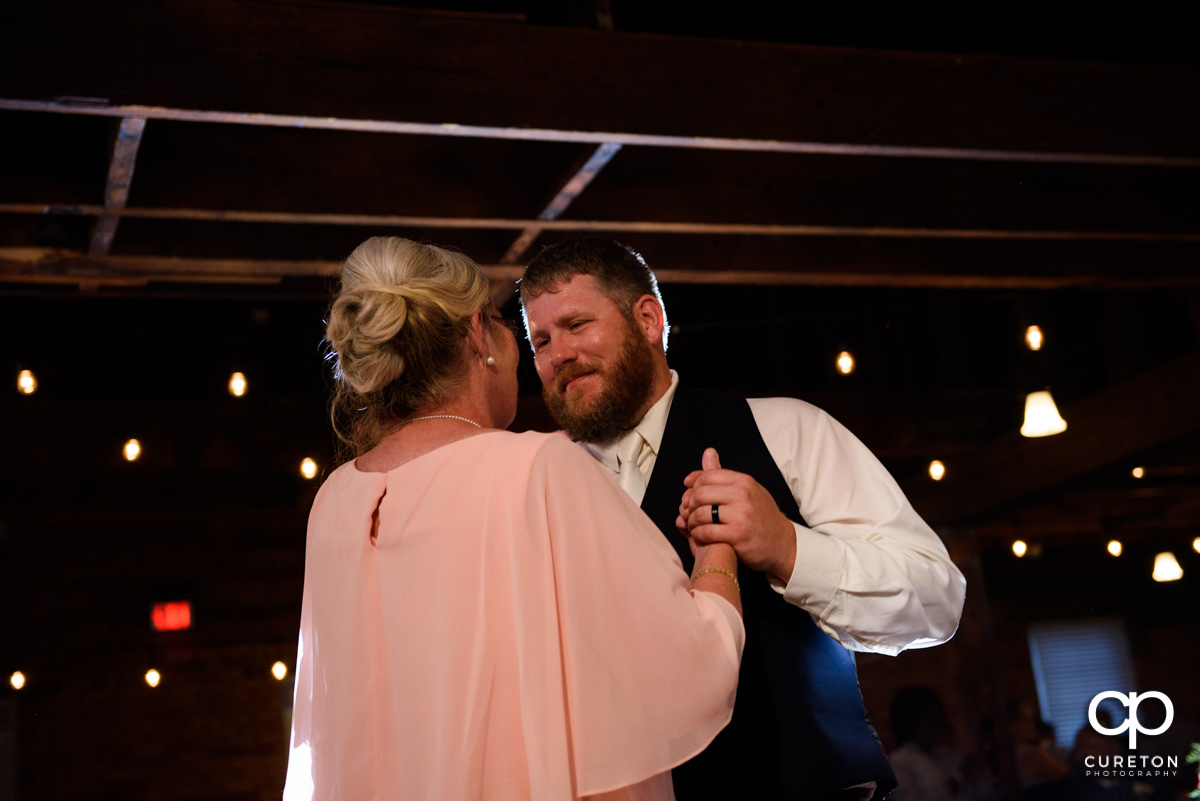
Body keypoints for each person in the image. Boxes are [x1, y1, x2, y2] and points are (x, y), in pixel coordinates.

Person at [283, 237, 745, 801]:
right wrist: (717, 543)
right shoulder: (535, 467)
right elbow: (686, 668)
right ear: (479, 334)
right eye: (511, 325)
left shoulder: (334, 501)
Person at [520, 238, 968, 801]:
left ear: (647, 319)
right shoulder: (539, 485)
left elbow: (937, 600)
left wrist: (788, 548)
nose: (557, 353)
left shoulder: (787, 433)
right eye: (540, 340)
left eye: (577, 324)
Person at [886, 686, 965, 801]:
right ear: (912, 721)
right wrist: (958, 778)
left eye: (937, 717)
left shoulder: (950, 755)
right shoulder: (898, 763)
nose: (935, 725)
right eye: (928, 719)